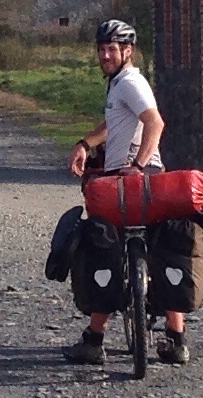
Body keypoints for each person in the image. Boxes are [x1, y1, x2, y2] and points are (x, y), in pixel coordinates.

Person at [63, 19, 192, 366]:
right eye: (101, 49)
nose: (105, 55)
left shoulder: (131, 82)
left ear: (128, 51)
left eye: (112, 49)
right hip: (134, 175)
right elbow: (116, 123)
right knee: (163, 250)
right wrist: (86, 143)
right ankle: (176, 339)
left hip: (134, 177)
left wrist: (138, 164)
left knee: (103, 248)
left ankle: (94, 340)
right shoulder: (120, 84)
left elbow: (155, 122)